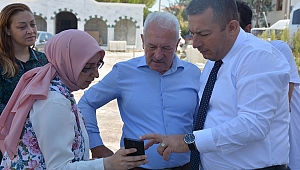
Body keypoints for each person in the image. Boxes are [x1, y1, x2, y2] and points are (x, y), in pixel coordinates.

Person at [141, 0, 291, 169]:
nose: (195, 43)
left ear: (232, 27)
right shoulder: (215, 59)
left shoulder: (257, 57)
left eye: (204, 34)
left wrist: (188, 141)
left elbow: (253, 125)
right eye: (193, 33)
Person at [0, 29, 148, 169]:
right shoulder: (53, 101)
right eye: (87, 67)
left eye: (98, 65)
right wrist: (107, 164)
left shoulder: (59, 90)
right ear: (66, 62)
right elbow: (59, 167)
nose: (95, 74)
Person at [78, 11, 201, 169]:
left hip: (186, 166)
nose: (158, 55)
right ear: (143, 41)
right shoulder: (123, 72)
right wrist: (96, 146)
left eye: (166, 48)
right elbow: (86, 102)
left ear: (177, 44)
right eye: (151, 46)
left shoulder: (193, 74)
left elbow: (202, 120)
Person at [237, 2, 300, 169]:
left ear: (248, 28)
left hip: (286, 139)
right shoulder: (227, 63)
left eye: (234, 28)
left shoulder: (276, 49)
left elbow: (286, 104)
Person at [0, 2, 48, 161]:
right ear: (7, 30)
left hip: (41, 139)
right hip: (5, 142)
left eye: (33, 24)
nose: (31, 31)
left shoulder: (44, 61)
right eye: (22, 27)